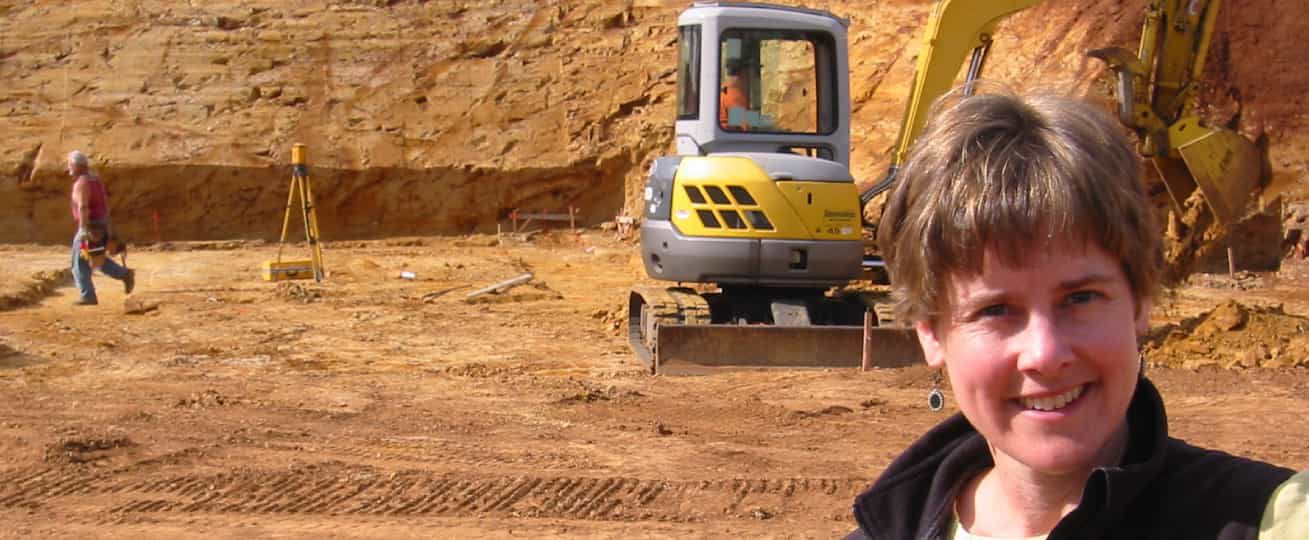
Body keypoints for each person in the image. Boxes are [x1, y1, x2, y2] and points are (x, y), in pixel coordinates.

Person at [848, 91, 1308, 539]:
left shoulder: (1271, 521)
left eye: (1081, 298)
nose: (1045, 354)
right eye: (996, 309)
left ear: (1140, 299)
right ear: (930, 332)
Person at [68, 150, 134, 305]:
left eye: (70, 164)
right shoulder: (95, 180)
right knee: (93, 257)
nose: (68, 167)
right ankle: (123, 274)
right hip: (100, 225)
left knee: (79, 260)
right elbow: (104, 204)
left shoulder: (82, 183)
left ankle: (88, 295)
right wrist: (108, 227)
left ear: (77, 166)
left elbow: (84, 206)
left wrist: (83, 230)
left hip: (89, 227)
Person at [719, 57, 751, 129]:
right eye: (748, 73)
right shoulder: (735, 96)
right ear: (742, 74)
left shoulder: (723, 89)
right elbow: (744, 128)